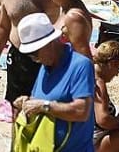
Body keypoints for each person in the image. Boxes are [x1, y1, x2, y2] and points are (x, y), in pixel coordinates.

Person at [16, 12, 97, 152]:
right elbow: (42, 100)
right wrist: (28, 102)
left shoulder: (80, 65)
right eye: (31, 55)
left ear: (50, 44)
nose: (34, 59)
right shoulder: (45, 66)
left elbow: (82, 111)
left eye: (35, 53)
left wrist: (45, 106)